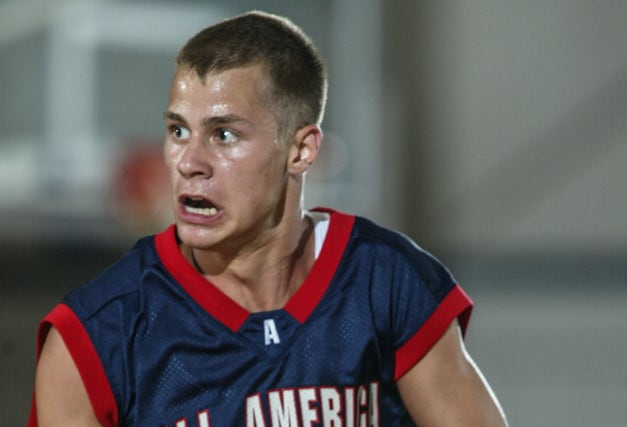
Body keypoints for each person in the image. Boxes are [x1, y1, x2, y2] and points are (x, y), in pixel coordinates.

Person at [29, 11, 508, 427]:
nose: (189, 161)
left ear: (301, 150)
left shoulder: (383, 282)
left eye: (223, 134)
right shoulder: (96, 337)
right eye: (178, 130)